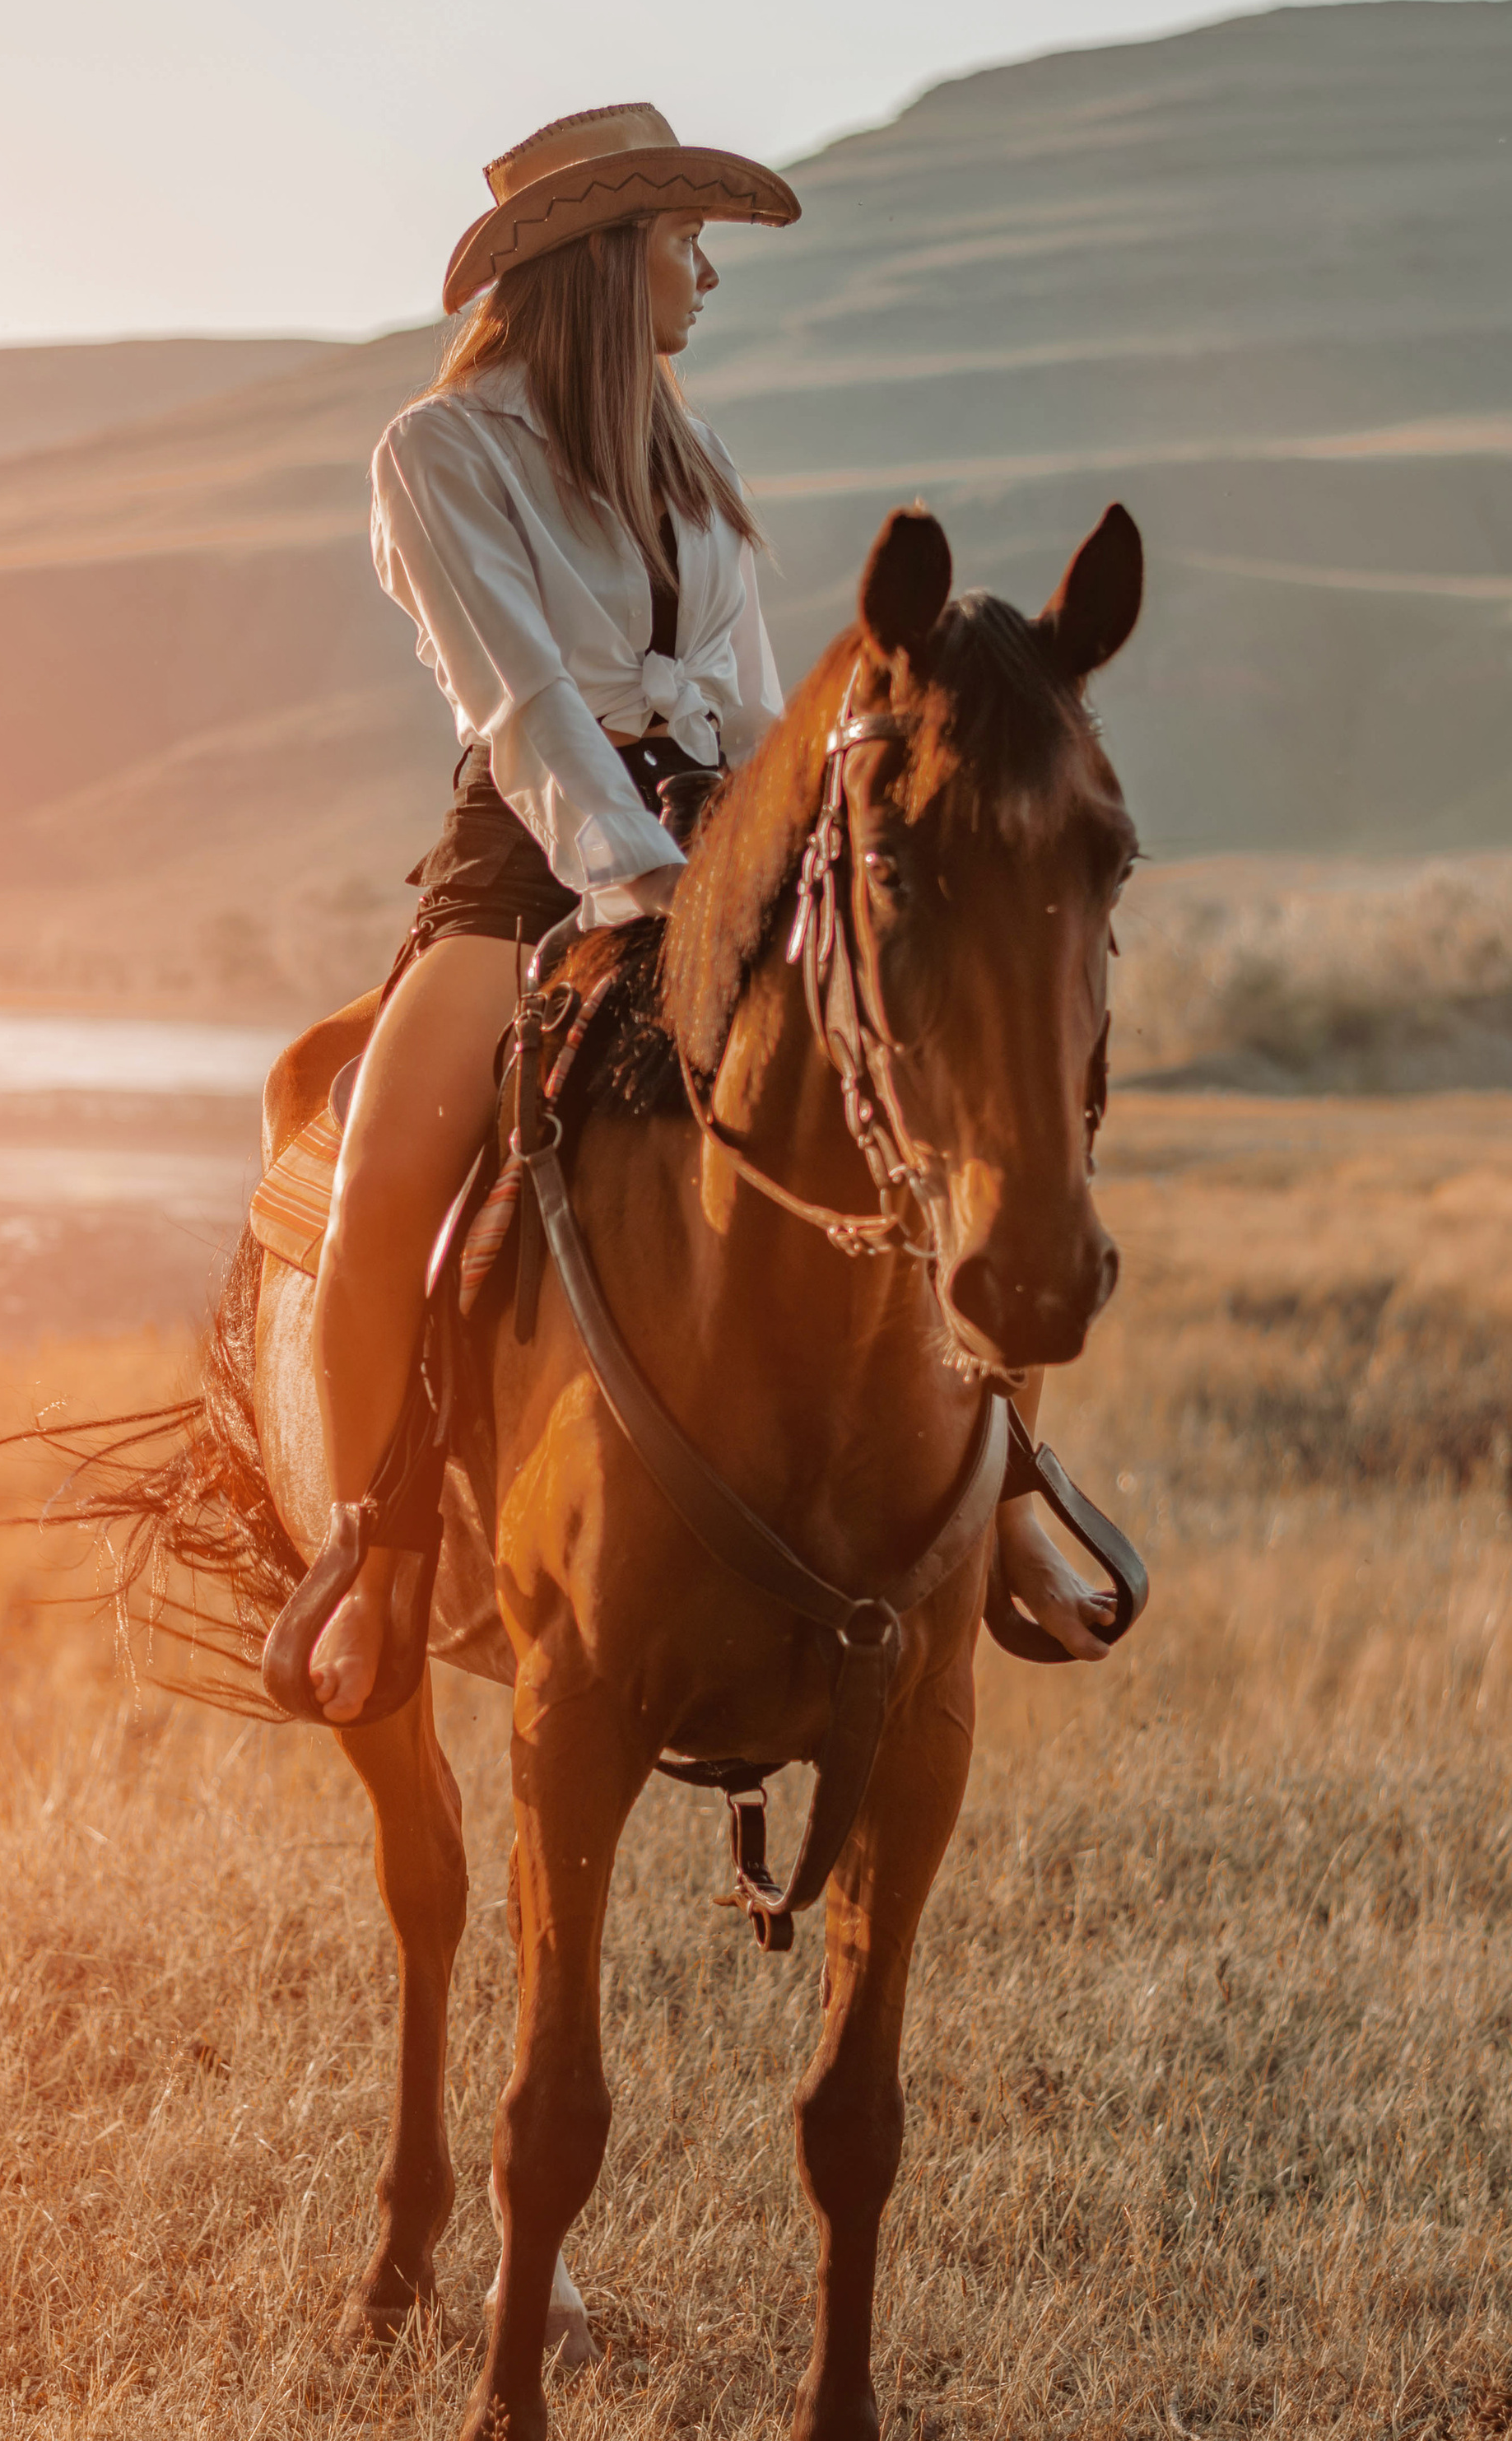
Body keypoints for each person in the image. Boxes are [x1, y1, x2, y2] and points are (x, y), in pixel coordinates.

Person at [281, 102, 1110, 1722]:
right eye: (681, 244)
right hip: (525, 864)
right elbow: (516, 704)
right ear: (603, 260)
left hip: (730, 854)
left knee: (911, 1092)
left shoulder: (693, 454)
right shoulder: (436, 455)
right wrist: (647, 879)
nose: (706, 278)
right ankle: (372, 1558)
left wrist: (755, 865)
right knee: (382, 1180)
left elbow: (740, 697)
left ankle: (996, 1500)